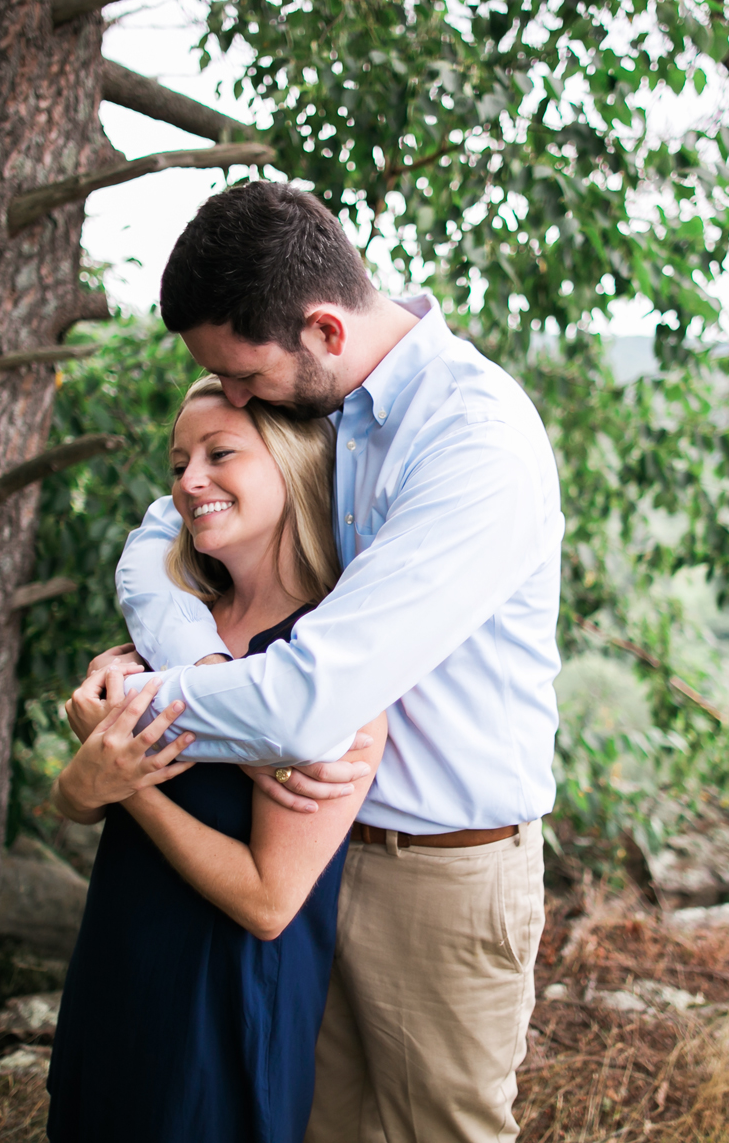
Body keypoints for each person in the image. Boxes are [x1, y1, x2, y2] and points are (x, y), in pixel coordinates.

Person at [92, 181, 565, 1143]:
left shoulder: (472, 441)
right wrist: (192, 656)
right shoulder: (315, 400)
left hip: (442, 870)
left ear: (322, 328)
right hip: (315, 852)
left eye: (242, 378)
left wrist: (140, 704)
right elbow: (154, 541)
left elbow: (306, 706)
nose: (228, 398)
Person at [44, 375, 389, 1143]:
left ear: (294, 464)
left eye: (219, 453)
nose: (188, 480)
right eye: (178, 462)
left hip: (222, 1002)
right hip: (118, 964)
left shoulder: (329, 671)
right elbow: (76, 800)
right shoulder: (171, 635)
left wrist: (135, 795)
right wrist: (85, 780)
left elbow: (270, 902)